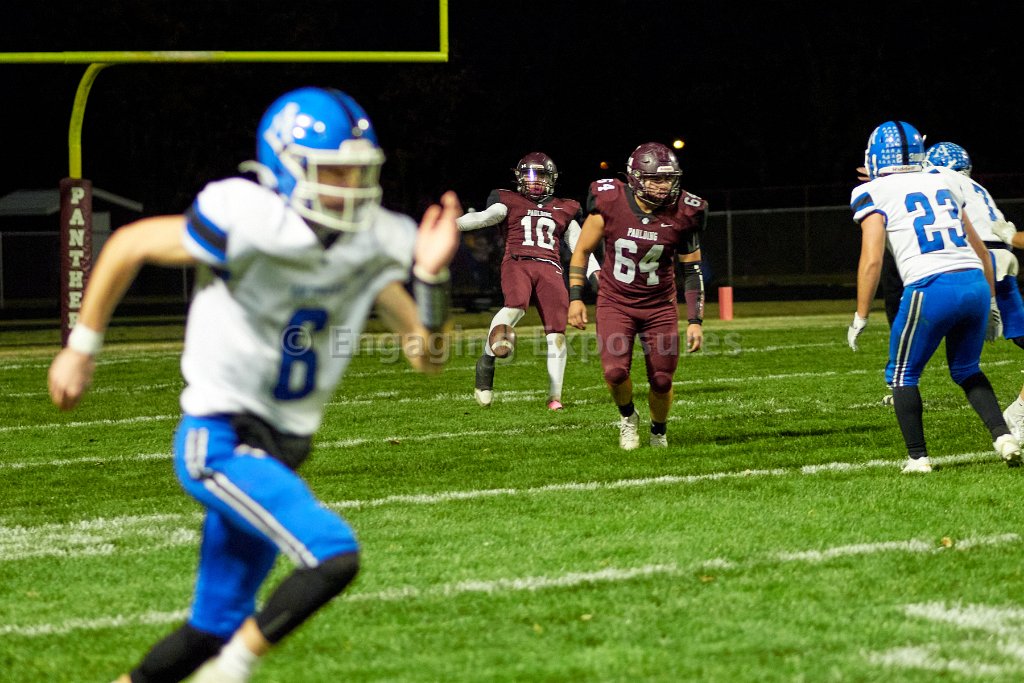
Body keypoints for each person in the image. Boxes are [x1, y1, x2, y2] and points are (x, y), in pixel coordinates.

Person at [47, 87, 461, 683]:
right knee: (332, 554)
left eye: (356, 170)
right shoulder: (249, 217)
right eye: (332, 170)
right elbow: (129, 244)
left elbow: (429, 357)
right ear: (284, 167)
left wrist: (431, 278)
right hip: (219, 437)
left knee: (209, 629)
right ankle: (232, 670)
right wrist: (81, 348)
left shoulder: (372, 241)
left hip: (283, 449)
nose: (348, 184)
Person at [847, 120, 1020, 473]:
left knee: (902, 375)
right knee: (967, 369)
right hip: (974, 282)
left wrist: (860, 315)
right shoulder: (943, 181)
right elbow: (979, 249)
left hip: (930, 286)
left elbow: (872, 259)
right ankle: (1004, 437)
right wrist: (990, 302)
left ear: (876, 155)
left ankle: (918, 458)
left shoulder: (872, 191)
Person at [568, 142, 707, 449]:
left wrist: (695, 321)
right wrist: (576, 297)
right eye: (655, 178)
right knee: (615, 373)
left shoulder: (685, 212)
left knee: (662, 379)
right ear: (635, 178)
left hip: (660, 307)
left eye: (668, 178)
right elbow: (582, 251)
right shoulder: (610, 201)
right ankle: (628, 417)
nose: (663, 185)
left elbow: (692, 269)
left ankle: (659, 430)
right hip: (616, 302)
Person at [457, 152, 598, 410]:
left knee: (557, 333)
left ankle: (554, 397)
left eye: (540, 175)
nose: (534, 181)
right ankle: (486, 362)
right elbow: (483, 217)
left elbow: (580, 246)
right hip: (517, 261)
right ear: (519, 178)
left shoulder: (565, 208)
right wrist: (450, 225)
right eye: (529, 175)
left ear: (552, 178)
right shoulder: (508, 201)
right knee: (516, 306)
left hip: (551, 268)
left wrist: (594, 273)